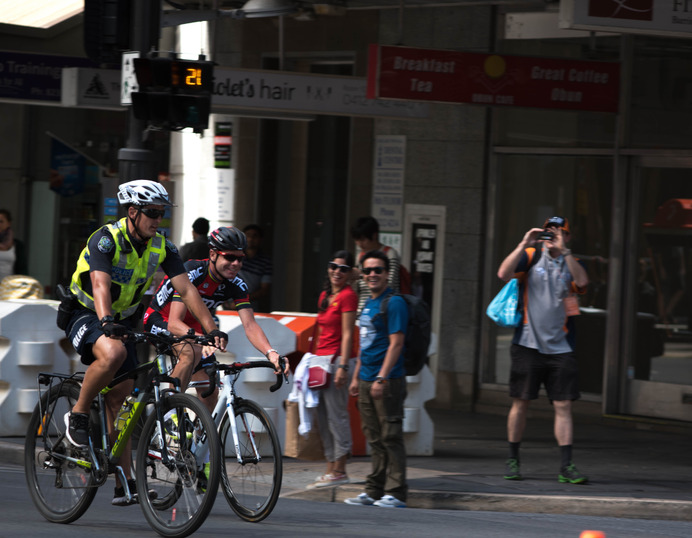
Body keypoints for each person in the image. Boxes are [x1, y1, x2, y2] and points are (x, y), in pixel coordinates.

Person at [61, 179, 228, 506]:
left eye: (162, 213)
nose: (158, 219)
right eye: (152, 212)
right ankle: (78, 414)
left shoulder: (161, 245)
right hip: (85, 312)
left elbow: (188, 290)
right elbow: (99, 284)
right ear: (133, 211)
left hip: (122, 321)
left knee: (121, 401)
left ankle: (124, 482)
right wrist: (106, 320)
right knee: (114, 353)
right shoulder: (106, 239)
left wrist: (210, 329)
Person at [143, 225, 287, 414]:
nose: (235, 263)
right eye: (229, 257)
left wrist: (271, 353)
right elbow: (174, 323)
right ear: (213, 254)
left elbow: (250, 325)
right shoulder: (193, 272)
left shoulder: (236, 284)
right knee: (190, 352)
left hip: (195, 330)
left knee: (211, 392)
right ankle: (170, 412)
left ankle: (198, 439)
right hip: (160, 319)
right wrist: (201, 338)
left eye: (240, 258)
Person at [496, 215, 589, 485]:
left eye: (559, 232)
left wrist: (566, 251)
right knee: (520, 402)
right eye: (549, 231)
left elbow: (582, 283)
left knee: (563, 405)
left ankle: (566, 465)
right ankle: (513, 459)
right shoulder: (530, 256)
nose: (553, 235)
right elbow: (503, 274)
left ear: (568, 236)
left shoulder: (572, 263)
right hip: (527, 344)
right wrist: (524, 242)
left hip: (561, 347)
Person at [345, 250, 408, 508]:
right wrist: (357, 377)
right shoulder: (369, 301)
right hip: (366, 379)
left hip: (387, 380)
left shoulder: (394, 303)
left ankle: (396, 492)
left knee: (391, 436)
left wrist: (382, 378)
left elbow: (397, 343)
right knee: (374, 437)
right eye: (368, 270)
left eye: (378, 270)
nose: (372, 274)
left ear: (386, 273)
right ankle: (374, 490)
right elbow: (365, 346)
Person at [306, 250, 357, 489]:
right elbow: (319, 332)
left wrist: (343, 366)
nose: (337, 271)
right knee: (323, 417)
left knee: (337, 416)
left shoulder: (348, 296)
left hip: (337, 361)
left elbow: (348, 334)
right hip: (319, 361)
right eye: (334, 266)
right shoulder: (325, 295)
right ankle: (330, 468)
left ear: (349, 273)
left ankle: (341, 469)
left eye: (343, 269)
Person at [350, 216, 401, 315]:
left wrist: (361, 275)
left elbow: (389, 284)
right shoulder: (360, 257)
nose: (359, 243)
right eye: (357, 240)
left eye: (363, 239)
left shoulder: (389, 254)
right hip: (362, 311)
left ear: (374, 236)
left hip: (383, 311)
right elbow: (356, 290)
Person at [237, 224, 273, 312]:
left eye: (255, 236)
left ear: (261, 239)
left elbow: (264, 289)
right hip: (228, 303)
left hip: (250, 306)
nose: (251, 239)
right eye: (248, 235)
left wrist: (242, 300)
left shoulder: (265, 261)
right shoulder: (234, 256)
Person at [0, 209, 16, 282]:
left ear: (8, 223)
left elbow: (22, 268)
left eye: (1, 222)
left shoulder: (16, 244)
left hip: (8, 286)